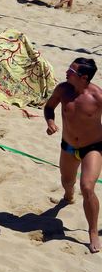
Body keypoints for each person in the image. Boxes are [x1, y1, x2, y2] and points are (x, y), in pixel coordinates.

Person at [43, 58, 101, 253]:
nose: (67, 72)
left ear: (84, 78)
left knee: (87, 187)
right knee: (67, 181)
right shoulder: (63, 90)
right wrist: (50, 122)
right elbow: (49, 107)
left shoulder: (97, 96)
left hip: (92, 148)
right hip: (68, 146)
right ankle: (68, 196)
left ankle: (92, 231)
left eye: (71, 71)